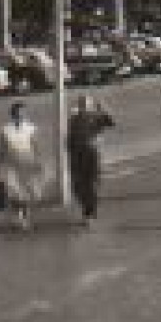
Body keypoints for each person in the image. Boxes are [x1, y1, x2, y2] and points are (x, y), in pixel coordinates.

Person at [0, 101, 45, 231]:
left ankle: (24, 217)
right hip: (12, 164)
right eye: (17, 113)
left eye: (22, 112)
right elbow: (2, 149)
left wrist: (39, 162)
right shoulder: (6, 129)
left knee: (28, 193)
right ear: (12, 114)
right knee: (15, 193)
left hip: (28, 162)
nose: (20, 115)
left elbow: (36, 146)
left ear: (25, 114)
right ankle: (19, 218)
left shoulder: (31, 128)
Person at [66, 94, 116, 225]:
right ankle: (87, 210)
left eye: (86, 104)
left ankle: (90, 213)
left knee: (92, 183)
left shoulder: (96, 117)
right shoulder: (73, 119)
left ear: (90, 106)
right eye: (81, 104)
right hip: (77, 156)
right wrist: (70, 154)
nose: (83, 107)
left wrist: (103, 109)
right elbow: (70, 138)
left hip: (92, 155)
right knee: (79, 186)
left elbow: (111, 122)